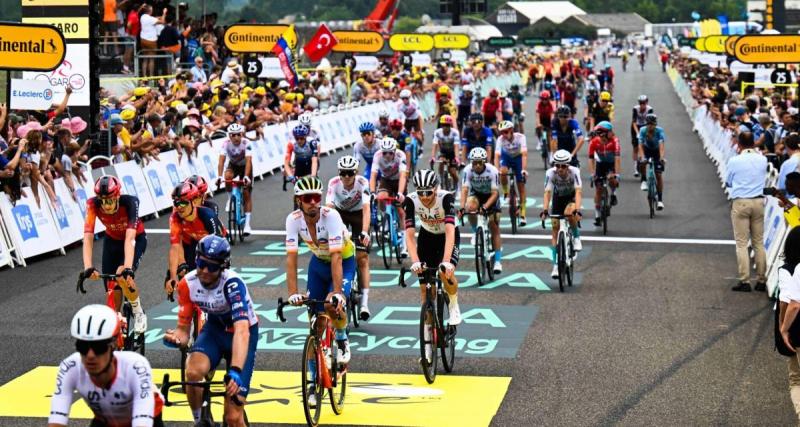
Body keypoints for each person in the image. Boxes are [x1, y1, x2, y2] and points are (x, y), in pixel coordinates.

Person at [163, 235, 257, 427]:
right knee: (193, 372)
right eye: (201, 263)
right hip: (214, 329)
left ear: (222, 267)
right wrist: (177, 338)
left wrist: (236, 371)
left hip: (241, 333)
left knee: (232, 417)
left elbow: (242, 331)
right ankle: (200, 420)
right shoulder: (187, 284)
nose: (205, 270)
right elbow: (183, 330)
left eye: (212, 266)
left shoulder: (232, 285)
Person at [286, 176, 356, 405]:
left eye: (317, 197)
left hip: (343, 261)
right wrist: (293, 292)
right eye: (308, 198)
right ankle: (312, 384)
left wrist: (337, 293)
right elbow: (291, 259)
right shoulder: (293, 220)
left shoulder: (331, 216)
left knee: (331, 304)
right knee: (314, 325)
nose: (314, 202)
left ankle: (343, 339)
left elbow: (336, 256)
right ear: (299, 200)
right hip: (318, 265)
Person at [49, 304, 164, 427]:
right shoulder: (70, 367)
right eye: (82, 347)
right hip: (104, 420)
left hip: (146, 419)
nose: (90, 355)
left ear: (113, 346)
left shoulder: (135, 366)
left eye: (99, 347)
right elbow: (56, 421)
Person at [404, 169, 462, 364]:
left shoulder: (446, 199)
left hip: (447, 238)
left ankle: (453, 304)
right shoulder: (411, 200)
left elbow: (450, 231)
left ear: (436, 189)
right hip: (427, 238)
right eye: (421, 193)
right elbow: (410, 236)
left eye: (429, 192)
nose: (425, 197)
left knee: (445, 275)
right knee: (425, 290)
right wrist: (415, 262)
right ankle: (428, 345)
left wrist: (446, 262)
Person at [82, 175, 147, 334]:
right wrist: (88, 266)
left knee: (121, 274)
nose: (106, 205)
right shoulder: (92, 204)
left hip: (135, 239)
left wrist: (128, 268)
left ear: (118, 196)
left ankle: (138, 312)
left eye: (110, 201)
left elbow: (130, 237)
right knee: (112, 289)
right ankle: (118, 325)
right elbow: (88, 236)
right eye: (103, 201)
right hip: (112, 241)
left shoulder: (131, 202)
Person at [326, 156, 372, 319]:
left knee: (363, 258)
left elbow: (367, 209)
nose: (347, 177)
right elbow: (329, 208)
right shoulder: (333, 183)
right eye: (343, 173)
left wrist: (365, 232)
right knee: (337, 253)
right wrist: (335, 230)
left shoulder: (363, 183)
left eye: (350, 173)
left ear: (356, 172)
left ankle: (365, 303)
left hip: (359, 214)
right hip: (340, 214)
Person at [165, 182, 224, 297]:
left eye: (183, 203)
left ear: (193, 202)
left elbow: (217, 243)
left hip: (214, 242)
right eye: (176, 203)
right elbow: (175, 247)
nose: (179, 207)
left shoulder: (207, 215)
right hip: (192, 241)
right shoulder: (175, 218)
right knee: (186, 275)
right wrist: (172, 276)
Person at [725, 131, 768, 292]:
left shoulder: (734, 161)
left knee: (742, 243)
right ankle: (762, 280)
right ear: (754, 143)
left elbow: (728, 181)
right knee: (758, 242)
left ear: (739, 144)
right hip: (758, 201)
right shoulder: (762, 159)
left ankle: (744, 280)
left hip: (741, 201)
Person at [540, 150, 583, 279]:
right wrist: (545, 209)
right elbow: (547, 193)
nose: (560, 169)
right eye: (557, 165)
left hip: (571, 198)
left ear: (568, 165)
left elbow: (578, 192)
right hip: (558, 198)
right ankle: (555, 265)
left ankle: (576, 237)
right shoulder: (550, 173)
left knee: (569, 213)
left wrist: (578, 209)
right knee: (555, 230)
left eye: (563, 166)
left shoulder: (575, 172)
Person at [459, 147, 503, 273]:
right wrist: (462, 207)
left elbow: (495, 193)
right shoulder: (467, 170)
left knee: (494, 226)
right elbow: (465, 190)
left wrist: (485, 207)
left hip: (491, 196)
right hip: (477, 194)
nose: (477, 165)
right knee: (470, 208)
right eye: (474, 162)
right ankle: (475, 231)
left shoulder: (492, 171)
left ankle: (498, 261)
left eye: (480, 162)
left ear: (484, 162)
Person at [370, 137, 409, 257]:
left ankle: (404, 244)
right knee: (380, 197)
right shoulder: (377, 156)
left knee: (401, 212)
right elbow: (373, 175)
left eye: (390, 153)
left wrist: (400, 193)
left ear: (394, 151)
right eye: (384, 152)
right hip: (386, 180)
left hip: (398, 181)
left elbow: (403, 176)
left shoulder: (401, 155)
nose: (387, 155)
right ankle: (386, 218)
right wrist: (372, 192)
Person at [777, 227, 800, 420]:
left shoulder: (793, 269)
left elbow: (791, 304)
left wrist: (783, 328)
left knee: (796, 380)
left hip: (797, 330)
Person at [216, 123, 253, 235]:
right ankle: (229, 198)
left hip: (245, 167)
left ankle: (247, 225)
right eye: (233, 135)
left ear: (242, 134)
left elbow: (248, 161)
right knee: (227, 177)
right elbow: (221, 161)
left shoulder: (247, 143)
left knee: (246, 192)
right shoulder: (225, 144)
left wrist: (246, 176)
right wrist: (219, 176)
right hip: (233, 165)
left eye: (238, 134)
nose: (236, 137)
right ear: (229, 136)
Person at [494, 120, 529, 226]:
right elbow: (497, 155)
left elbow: (524, 155)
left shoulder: (521, 137)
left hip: (518, 158)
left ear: (511, 130)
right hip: (507, 157)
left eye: (505, 132)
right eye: (501, 132)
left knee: (521, 187)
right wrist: (496, 171)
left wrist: (523, 169)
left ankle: (523, 214)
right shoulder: (500, 139)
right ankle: (505, 191)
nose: (503, 135)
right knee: (503, 171)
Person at [587, 121, 621, 225]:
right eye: (610, 131)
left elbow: (617, 159)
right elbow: (591, 159)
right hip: (600, 165)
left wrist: (617, 175)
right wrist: (592, 174)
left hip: (611, 165)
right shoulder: (594, 142)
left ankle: (613, 193)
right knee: (598, 189)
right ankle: (597, 216)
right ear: (603, 133)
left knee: (612, 180)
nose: (612, 133)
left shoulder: (615, 141)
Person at [637, 114, 666, 209]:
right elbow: (640, 145)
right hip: (647, 150)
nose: (650, 126)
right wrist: (642, 157)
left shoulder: (659, 131)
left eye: (652, 124)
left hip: (656, 151)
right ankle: (644, 180)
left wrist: (662, 158)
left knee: (658, 175)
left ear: (655, 124)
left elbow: (661, 146)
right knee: (641, 162)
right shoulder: (642, 130)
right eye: (648, 124)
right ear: (646, 124)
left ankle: (660, 200)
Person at [431, 114, 461, 188]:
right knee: (441, 162)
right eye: (444, 125)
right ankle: (441, 179)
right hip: (443, 152)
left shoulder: (455, 132)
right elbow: (434, 145)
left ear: (450, 125)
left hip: (452, 153)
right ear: (441, 125)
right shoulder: (437, 132)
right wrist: (432, 157)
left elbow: (456, 146)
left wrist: (457, 158)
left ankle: (458, 188)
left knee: (453, 172)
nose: (445, 127)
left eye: (447, 125)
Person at [631, 95, 654, 177]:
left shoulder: (650, 109)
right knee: (635, 147)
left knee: (645, 145)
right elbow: (633, 122)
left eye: (644, 103)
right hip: (636, 127)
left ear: (646, 103)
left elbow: (650, 123)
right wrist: (637, 133)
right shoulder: (635, 109)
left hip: (645, 127)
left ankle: (643, 159)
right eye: (640, 103)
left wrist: (647, 132)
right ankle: (635, 167)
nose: (642, 105)